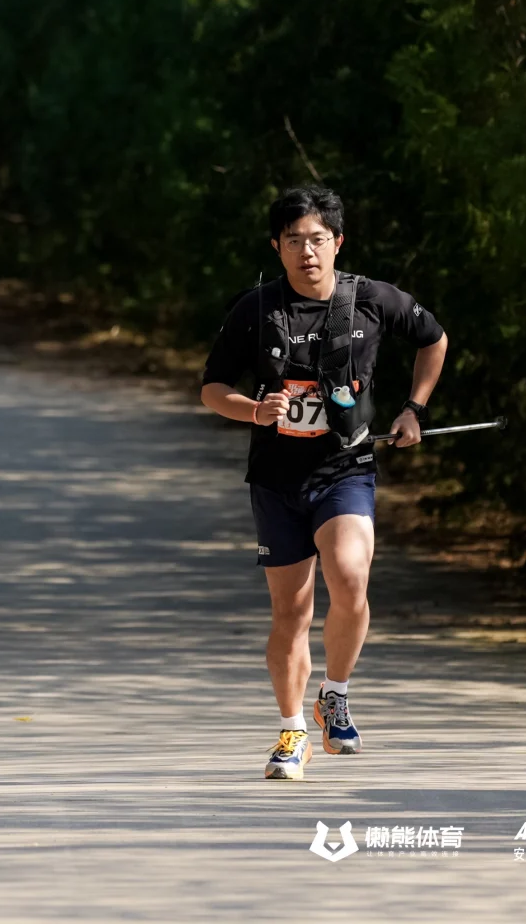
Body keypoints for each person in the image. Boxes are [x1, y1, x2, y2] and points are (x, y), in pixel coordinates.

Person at [200, 185, 447, 780]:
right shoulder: (256, 310)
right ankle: (292, 734)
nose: (306, 252)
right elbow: (212, 389)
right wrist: (253, 410)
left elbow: (433, 340)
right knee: (291, 614)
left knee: (351, 575)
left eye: (316, 240)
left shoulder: (371, 300)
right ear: (276, 248)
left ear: (337, 242)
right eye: (293, 241)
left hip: (345, 467)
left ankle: (334, 693)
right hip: (277, 478)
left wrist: (414, 410)